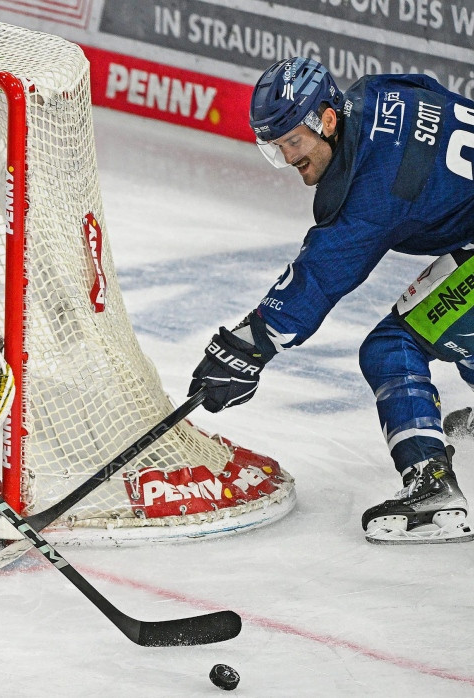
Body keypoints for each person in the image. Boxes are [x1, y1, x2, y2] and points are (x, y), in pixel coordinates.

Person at [188, 56, 474, 545]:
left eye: (292, 142)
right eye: (274, 148)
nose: (287, 158)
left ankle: (433, 491)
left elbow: (321, 276)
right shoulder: (379, 91)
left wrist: (250, 344)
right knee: (452, 317)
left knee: (391, 347)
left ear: (326, 119)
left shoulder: (377, 187)